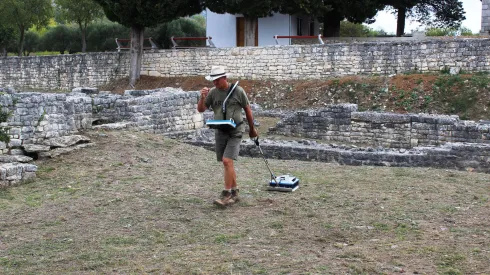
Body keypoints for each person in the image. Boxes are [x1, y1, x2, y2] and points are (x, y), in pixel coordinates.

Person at [197, 66, 258, 207]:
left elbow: (248, 110)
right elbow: (201, 109)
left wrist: (252, 129)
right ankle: (235, 192)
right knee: (227, 163)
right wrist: (202, 97)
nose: (215, 83)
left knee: (226, 160)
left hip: (236, 130)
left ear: (224, 78)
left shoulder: (238, 91)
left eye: (217, 80)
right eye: (213, 81)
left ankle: (227, 194)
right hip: (220, 130)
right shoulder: (212, 92)